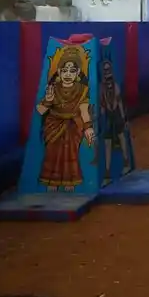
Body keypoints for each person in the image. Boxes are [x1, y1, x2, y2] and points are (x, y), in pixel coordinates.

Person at [37, 45, 95, 192]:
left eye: (72, 71)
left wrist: (88, 128)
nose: (68, 74)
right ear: (59, 72)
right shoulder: (52, 89)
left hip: (72, 128)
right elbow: (40, 111)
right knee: (52, 155)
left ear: (77, 74)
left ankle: (70, 186)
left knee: (71, 155)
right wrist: (48, 100)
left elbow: (84, 110)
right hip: (53, 127)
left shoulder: (82, 90)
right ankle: (52, 186)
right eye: (64, 70)